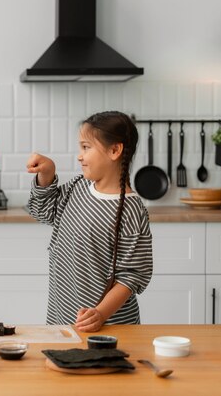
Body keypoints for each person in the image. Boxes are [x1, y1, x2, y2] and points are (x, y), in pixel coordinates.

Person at [26, 111, 152, 332]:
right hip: (63, 317)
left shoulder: (131, 210)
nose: (79, 156)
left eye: (86, 147)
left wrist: (100, 314)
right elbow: (42, 212)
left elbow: (132, 276)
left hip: (109, 326)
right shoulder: (78, 187)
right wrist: (47, 174)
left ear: (115, 150)